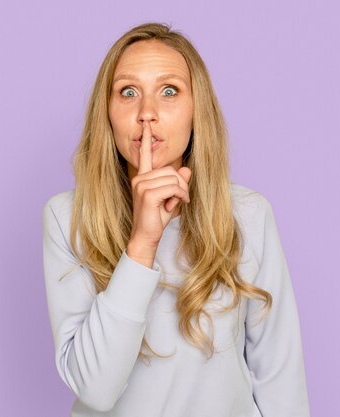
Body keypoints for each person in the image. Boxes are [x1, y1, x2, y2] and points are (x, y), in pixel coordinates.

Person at [42, 22, 311, 417]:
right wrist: (142, 243)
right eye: (127, 92)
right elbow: (95, 389)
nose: (146, 113)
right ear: (108, 113)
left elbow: (281, 381)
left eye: (169, 91)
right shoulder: (68, 218)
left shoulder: (249, 215)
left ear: (196, 112)